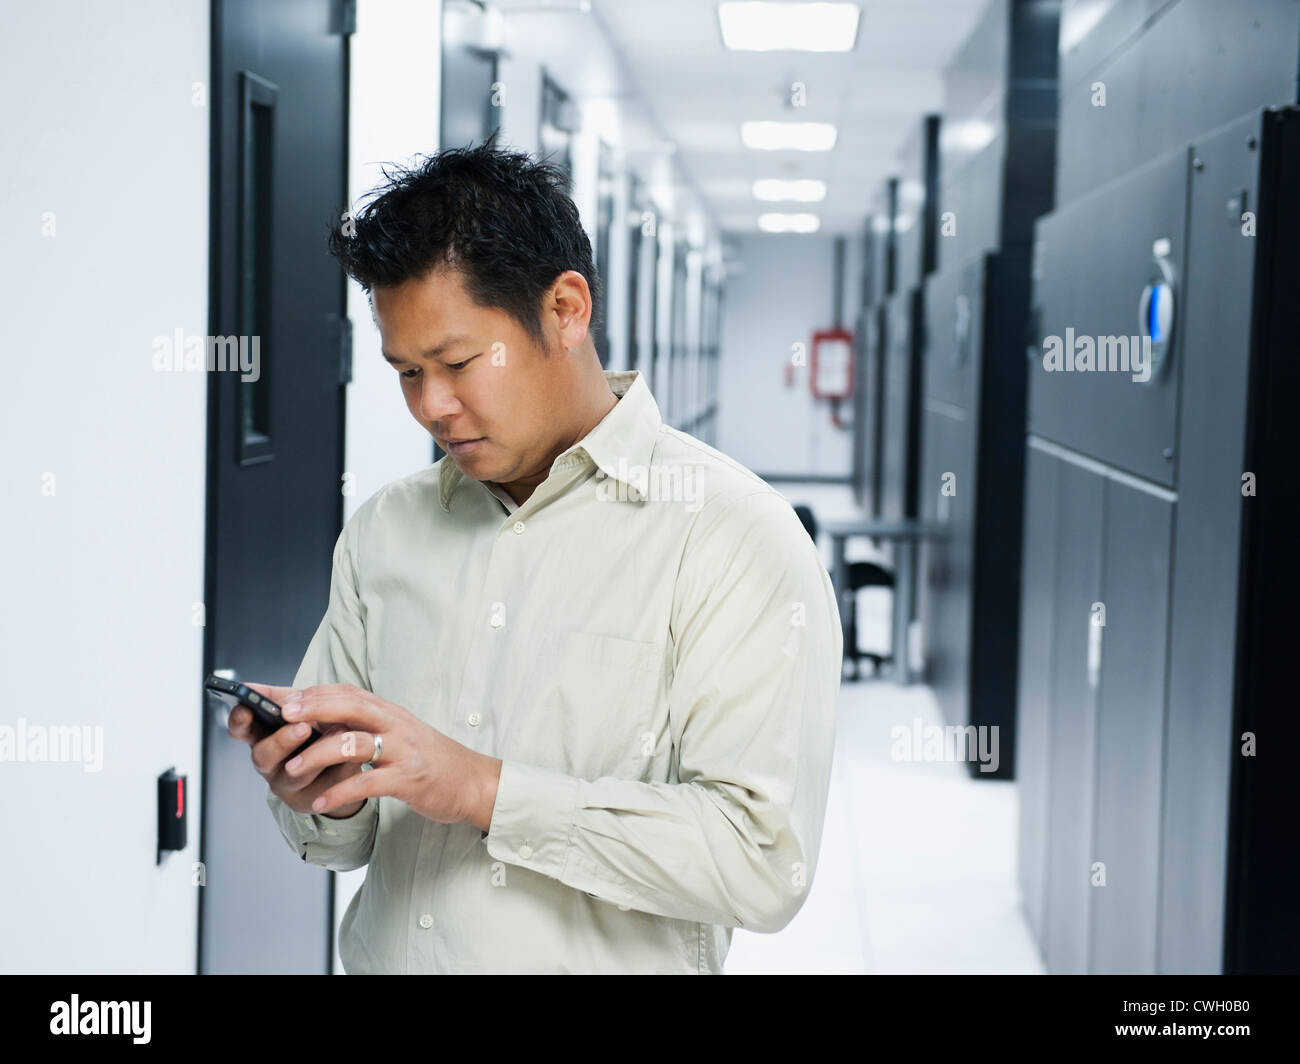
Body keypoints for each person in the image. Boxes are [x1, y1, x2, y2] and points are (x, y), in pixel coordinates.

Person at [226, 134, 842, 974]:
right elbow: (343, 842)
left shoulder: (733, 537)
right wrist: (313, 794)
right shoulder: (386, 531)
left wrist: (483, 789)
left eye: (457, 362)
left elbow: (762, 863)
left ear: (565, 310)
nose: (433, 408)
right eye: (407, 372)